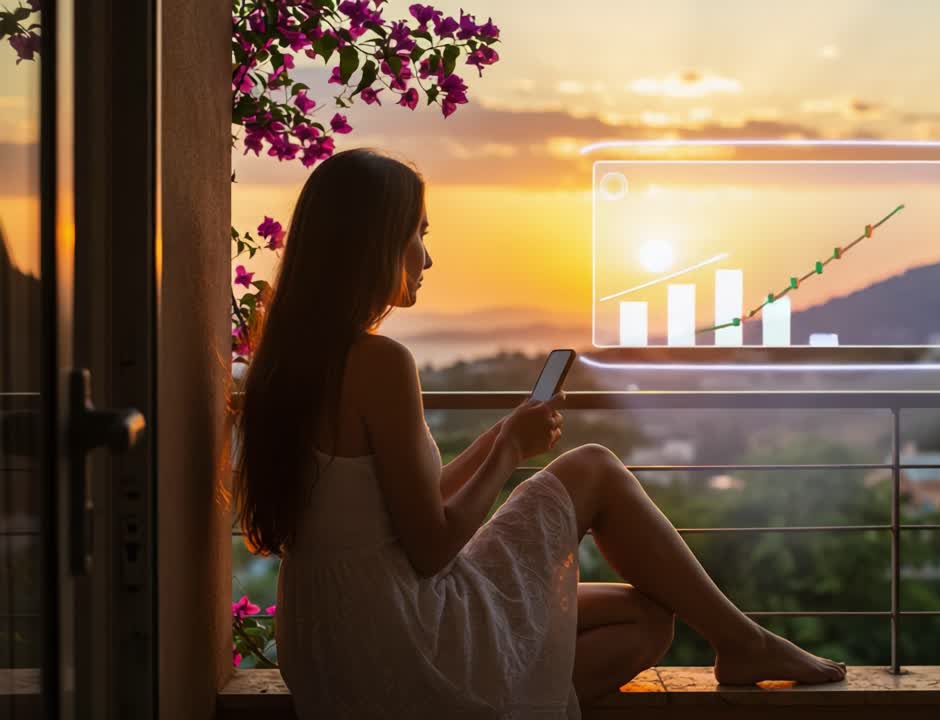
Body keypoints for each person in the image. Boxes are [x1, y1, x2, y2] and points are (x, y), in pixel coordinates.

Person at [233, 148, 846, 720]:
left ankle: (723, 646)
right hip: (402, 633)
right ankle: (746, 642)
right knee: (595, 466)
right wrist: (508, 452)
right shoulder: (378, 362)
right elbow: (429, 546)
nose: (426, 256)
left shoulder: (284, 364)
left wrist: (501, 432)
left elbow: (392, 510)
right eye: (418, 233)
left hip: (329, 646)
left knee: (648, 621)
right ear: (374, 244)